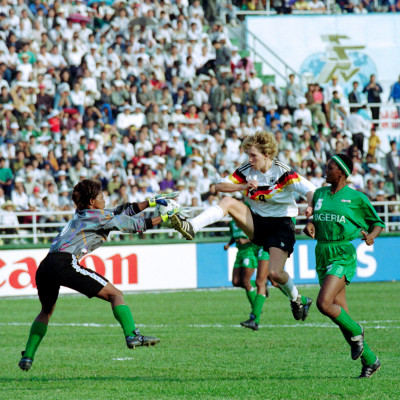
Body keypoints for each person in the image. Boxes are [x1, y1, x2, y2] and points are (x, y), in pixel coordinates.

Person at [19, 179, 181, 371]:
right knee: (116, 295)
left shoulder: (84, 213)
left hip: (46, 265)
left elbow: (120, 211)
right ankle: (132, 335)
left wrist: (151, 202)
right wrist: (165, 218)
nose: (105, 200)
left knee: (46, 311)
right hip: (64, 262)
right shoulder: (98, 217)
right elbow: (135, 225)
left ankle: (28, 356)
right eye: (101, 197)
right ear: (91, 202)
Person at [171, 131, 316, 321]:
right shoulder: (247, 170)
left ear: (266, 155)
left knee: (275, 274)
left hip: (281, 225)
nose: (249, 158)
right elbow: (219, 186)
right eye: (248, 154)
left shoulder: (283, 172)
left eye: (253, 155)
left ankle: (297, 299)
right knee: (228, 201)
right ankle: (191, 226)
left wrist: (311, 207)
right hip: (256, 221)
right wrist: (242, 187)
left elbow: (311, 190)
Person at [303, 154, 385, 378]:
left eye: (329, 167)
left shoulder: (356, 198)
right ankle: (371, 361)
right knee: (341, 316)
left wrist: (371, 237)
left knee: (323, 303)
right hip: (322, 251)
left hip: (342, 253)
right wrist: (309, 225)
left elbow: (378, 223)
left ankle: (358, 331)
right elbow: (314, 219)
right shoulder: (319, 194)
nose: (325, 170)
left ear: (342, 172)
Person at [224, 217, 270, 330]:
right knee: (236, 282)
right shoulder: (232, 223)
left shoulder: (247, 219)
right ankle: (264, 284)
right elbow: (234, 236)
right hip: (239, 252)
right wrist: (229, 244)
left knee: (246, 281)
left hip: (249, 252)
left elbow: (258, 235)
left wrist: (246, 241)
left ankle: (256, 306)